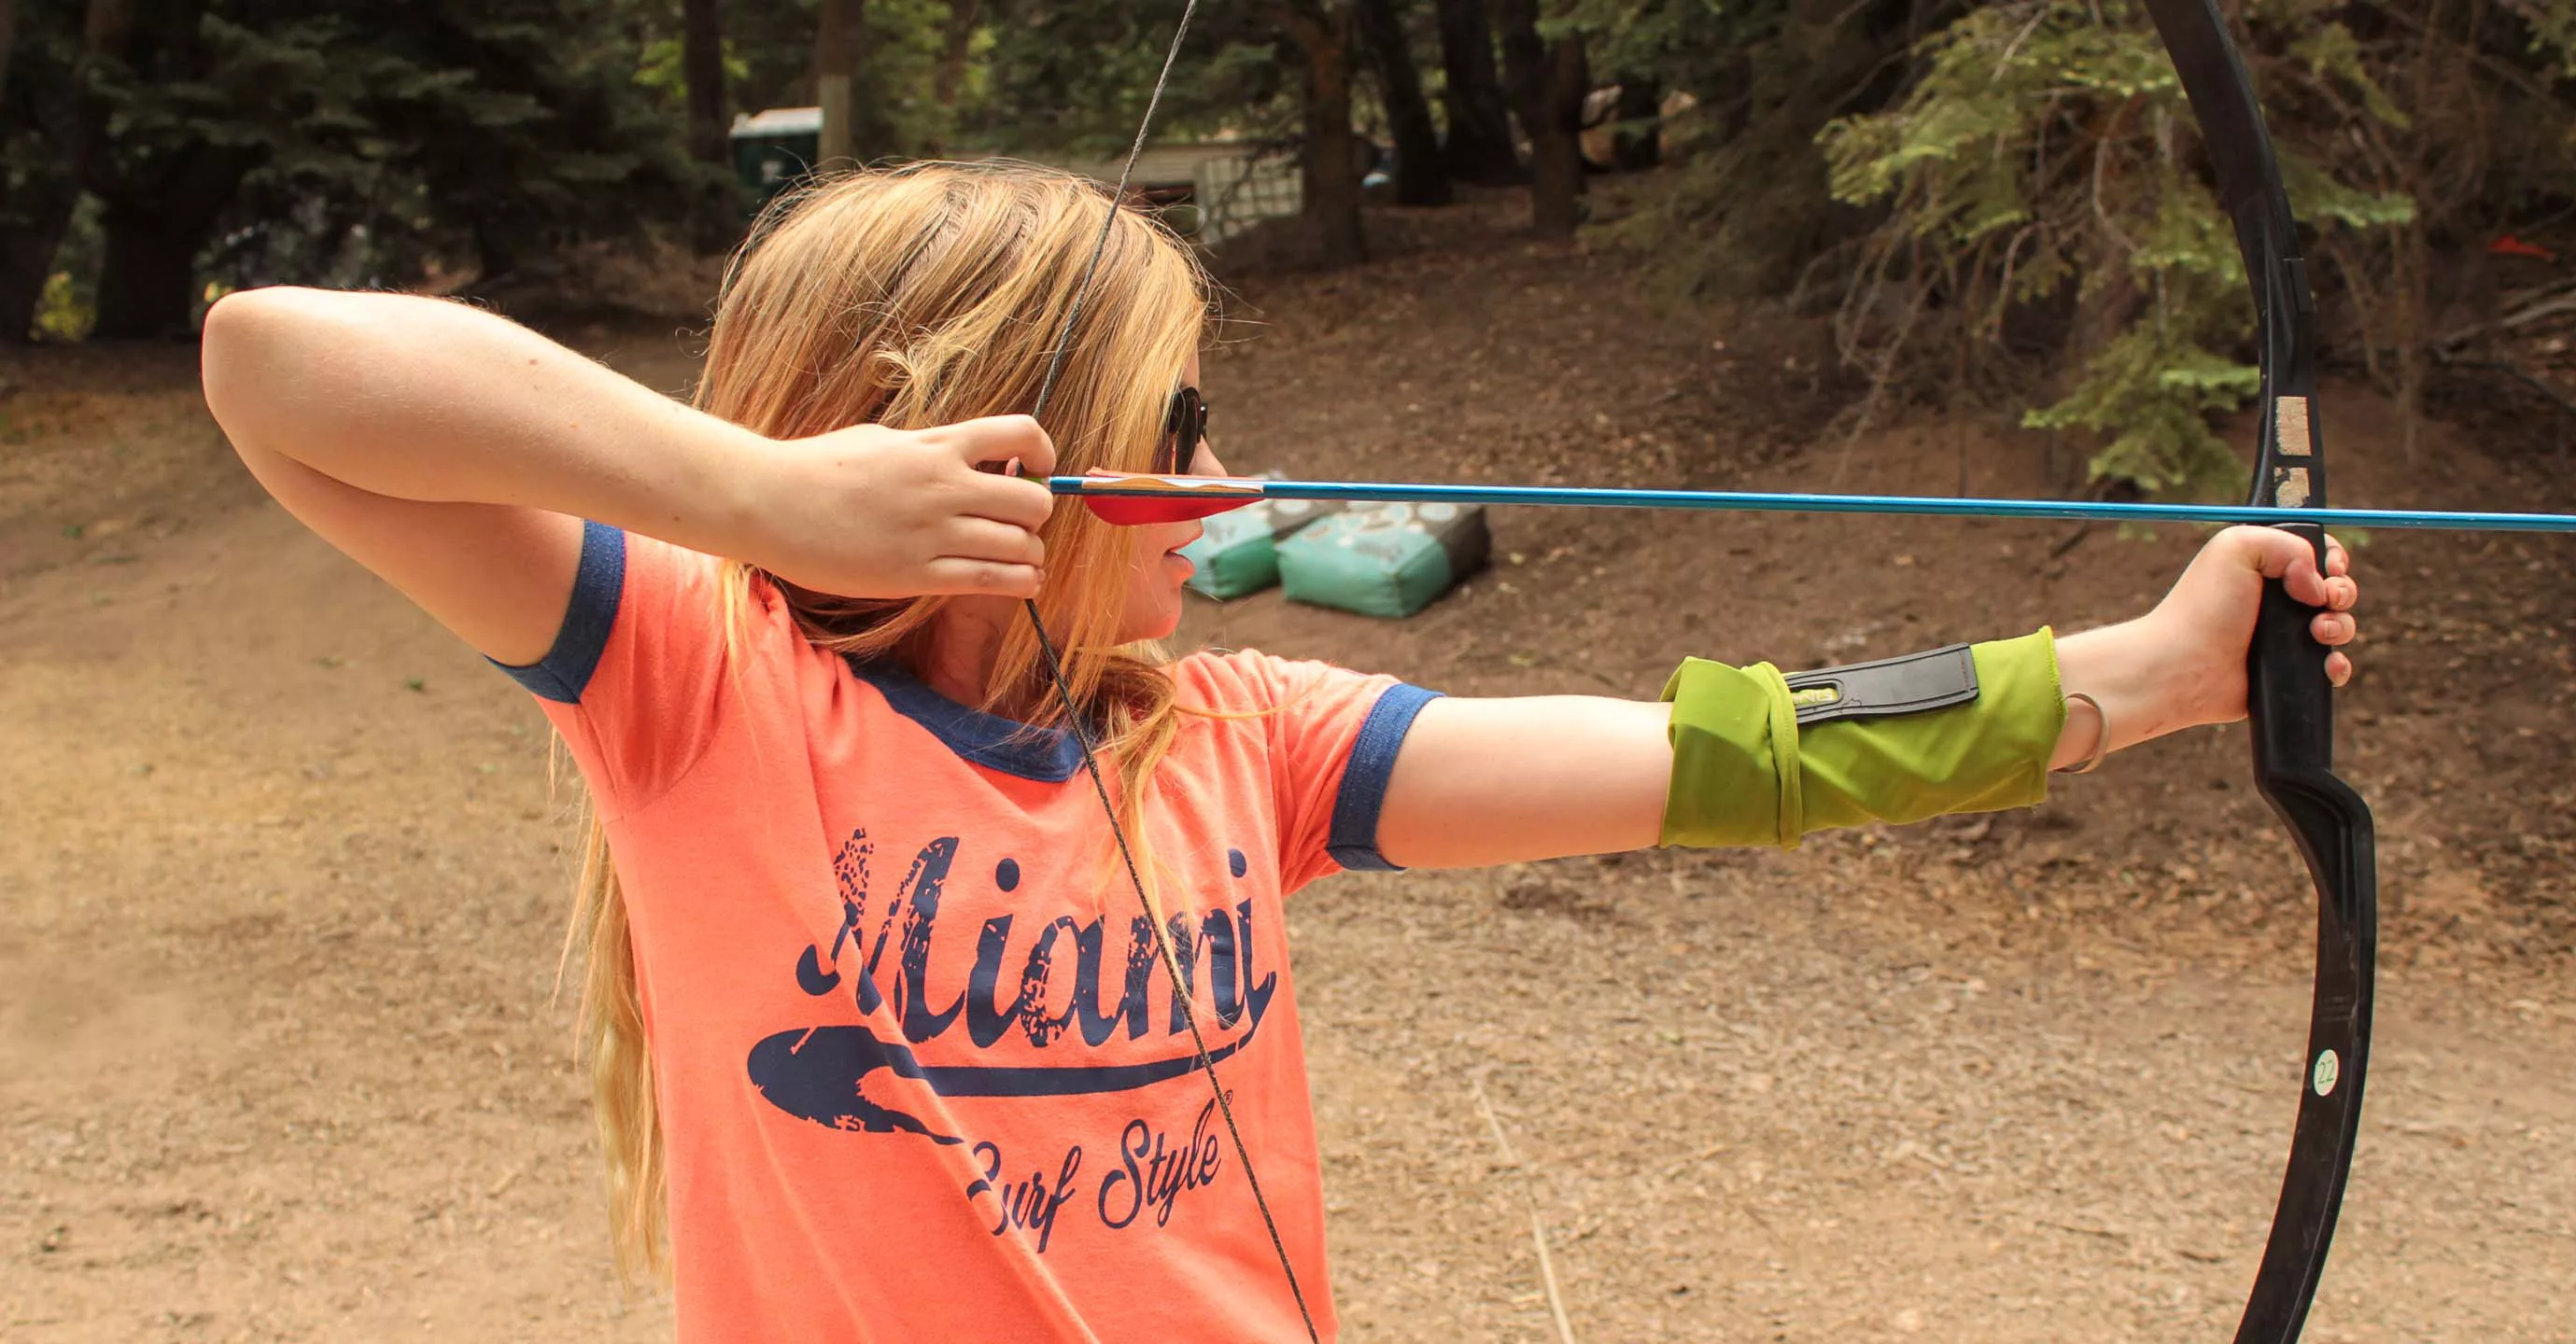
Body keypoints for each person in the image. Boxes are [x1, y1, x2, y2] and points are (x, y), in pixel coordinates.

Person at [199, 161, 2358, 1342]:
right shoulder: (704, 686)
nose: (1230, 489)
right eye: (1180, 430)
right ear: (986, 449)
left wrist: (2146, 675)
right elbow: (274, 362)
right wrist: (755, 501)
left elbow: (1736, 753)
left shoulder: (1245, 739)